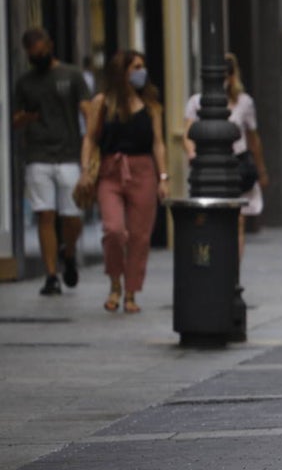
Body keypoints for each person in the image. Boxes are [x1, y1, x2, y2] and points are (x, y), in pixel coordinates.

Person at [76, 50, 168, 313]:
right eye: (136, 67)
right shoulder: (102, 103)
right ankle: (115, 283)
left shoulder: (151, 106)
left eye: (143, 66)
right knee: (114, 230)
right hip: (110, 170)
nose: (142, 72)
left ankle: (131, 293)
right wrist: (85, 170)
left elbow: (158, 144)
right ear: (122, 72)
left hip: (143, 171)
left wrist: (163, 177)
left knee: (139, 236)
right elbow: (90, 138)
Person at [11, 27, 91, 295]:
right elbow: (14, 119)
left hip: (68, 153)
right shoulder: (25, 83)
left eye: (40, 50)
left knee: (72, 215)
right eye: (32, 53)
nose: (37, 56)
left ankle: (67, 252)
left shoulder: (71, 75)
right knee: (45, 215)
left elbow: (86, 109)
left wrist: (92, 143)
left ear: (50, 46)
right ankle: (51, 275)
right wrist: (26, 119)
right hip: (38, 155)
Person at [184, 52, 269, 257]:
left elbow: (253, 138)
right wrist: (192, 154)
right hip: (206, 167)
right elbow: (187, 132)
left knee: (237, 220)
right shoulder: (197, 102)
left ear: (232, 76)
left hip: (237, 164)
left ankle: (233, 273)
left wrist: (261, 168)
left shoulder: (244, 102)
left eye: (226, 75)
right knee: (208, 220)